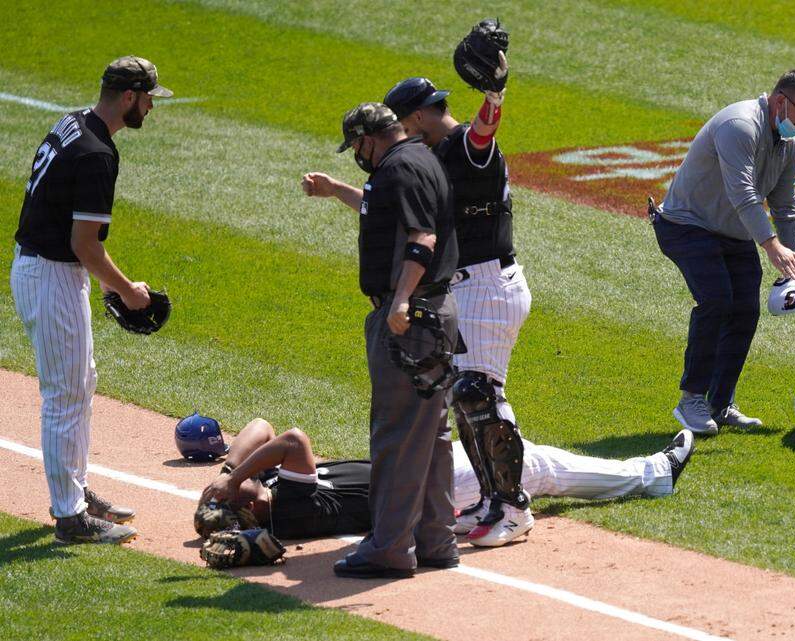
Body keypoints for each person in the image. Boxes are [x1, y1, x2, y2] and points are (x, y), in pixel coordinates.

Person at [10, 56, 172, 545]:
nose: (150, 107)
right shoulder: (98, 154)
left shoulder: (73, 122)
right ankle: (70, 518)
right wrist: (128, 291)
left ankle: (75, 492)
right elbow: (84, 244)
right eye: (148, 99)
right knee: (64, 394)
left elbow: (71, 229)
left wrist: (105, 281)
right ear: (129, 98)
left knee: (81, 381)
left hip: (47, 266)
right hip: (52, 274)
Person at [300, 102, 459, 579]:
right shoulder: (419, 157)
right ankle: (435, 540)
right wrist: (335, 191)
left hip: (410, 319)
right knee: (431, 433)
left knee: (395, 433)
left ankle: (389, 549)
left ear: (368, 138)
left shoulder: (399, 169)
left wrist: (400, 301)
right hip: (436, 312)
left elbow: (421, 238)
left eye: (356, 146)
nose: (357, 155)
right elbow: (385, 212)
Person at [382, 64, 535, 547]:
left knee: (481, 394)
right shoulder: (434, 155)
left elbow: (485, 131)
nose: (400, 134)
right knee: (466, 398)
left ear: (423, 114)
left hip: (490, 285)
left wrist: (494, 93)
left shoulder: (464, 147)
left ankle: (514, 508)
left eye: (403, 123)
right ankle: (492, 499)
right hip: (468, 287)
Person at [653, 69, 795, 436]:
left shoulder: (788, 142)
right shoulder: (739, 125)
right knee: (717, 301)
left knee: (744, 310)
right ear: (781, 101)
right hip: (687, 225)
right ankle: (691, 400)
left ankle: (721, 402)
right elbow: (743, 193)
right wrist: (771, 246)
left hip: (732, 231)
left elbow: (785, 204)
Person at [197, 419, 695, 540]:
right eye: (236, 490)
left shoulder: (272, 488)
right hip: (425, 489)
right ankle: (653, 474)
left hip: (417, 472)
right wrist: (234, 478)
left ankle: (649, 474)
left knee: (515, 452)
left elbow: (258, 426)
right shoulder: (287, 509)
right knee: (532, 467)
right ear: (250, 506)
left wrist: (224, 477)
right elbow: (289, 438)